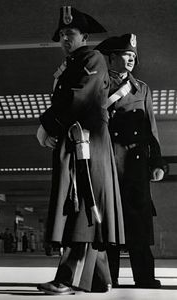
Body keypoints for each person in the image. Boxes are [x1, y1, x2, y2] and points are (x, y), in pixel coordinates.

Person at [36, 6, 125, 295]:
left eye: (70, 33)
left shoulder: (91, 57)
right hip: (80, 140)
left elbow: (79, 96)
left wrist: (47, 124)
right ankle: (99, 279)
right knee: (86, 205)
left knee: (80, 203)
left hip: (87, 144)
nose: (65, 38)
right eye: (61, 34)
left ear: (84, 35)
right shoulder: (75, 61)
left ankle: (67, 278)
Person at [95, 33, 165, 288]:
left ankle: (144, 277)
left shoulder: (141, 89)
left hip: (135, 167)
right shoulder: (98, 84)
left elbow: (150, 129)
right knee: (109, 224)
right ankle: (107, 277)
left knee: (139, 225)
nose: (131, 59)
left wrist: (157, 163)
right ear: (112, 58)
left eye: (134, 56)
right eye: (126, 55)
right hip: (108, 165)